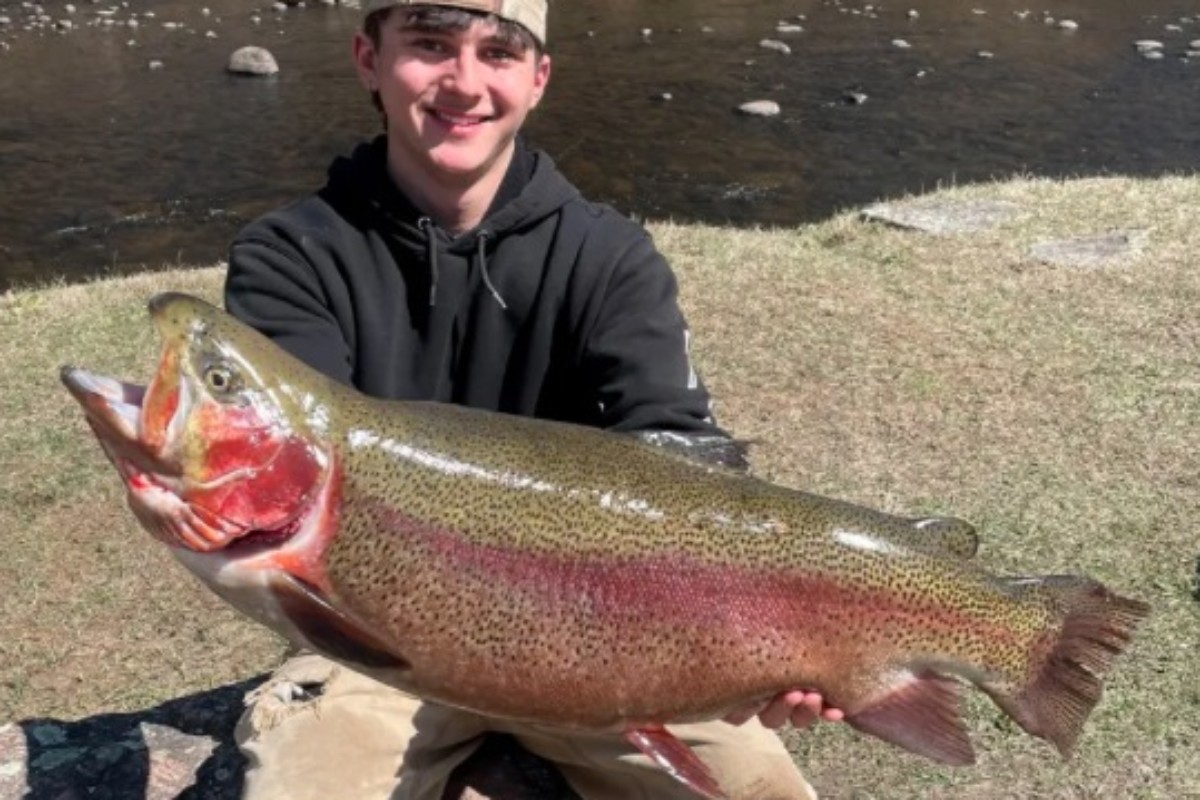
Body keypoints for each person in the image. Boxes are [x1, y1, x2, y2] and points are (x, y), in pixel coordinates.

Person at [222, 2, 842, 798]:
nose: (464, 82)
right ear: (369, 59)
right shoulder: (290, 257)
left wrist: (769, 641)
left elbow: (683, 457)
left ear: (539, 78)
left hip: (615, 635)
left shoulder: (610, 258)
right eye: (431, 45)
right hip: (377, 637)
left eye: (498, 53)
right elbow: (292, 473)